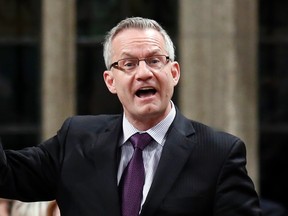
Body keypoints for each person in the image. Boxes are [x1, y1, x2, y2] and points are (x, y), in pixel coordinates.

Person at [0, 17, 261, 216]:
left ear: (174, 73)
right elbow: (6, 175)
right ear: (110, 81)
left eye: (155, 60)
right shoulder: (76, 138)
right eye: (129, 64)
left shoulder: (219, 152)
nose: (144, 73)